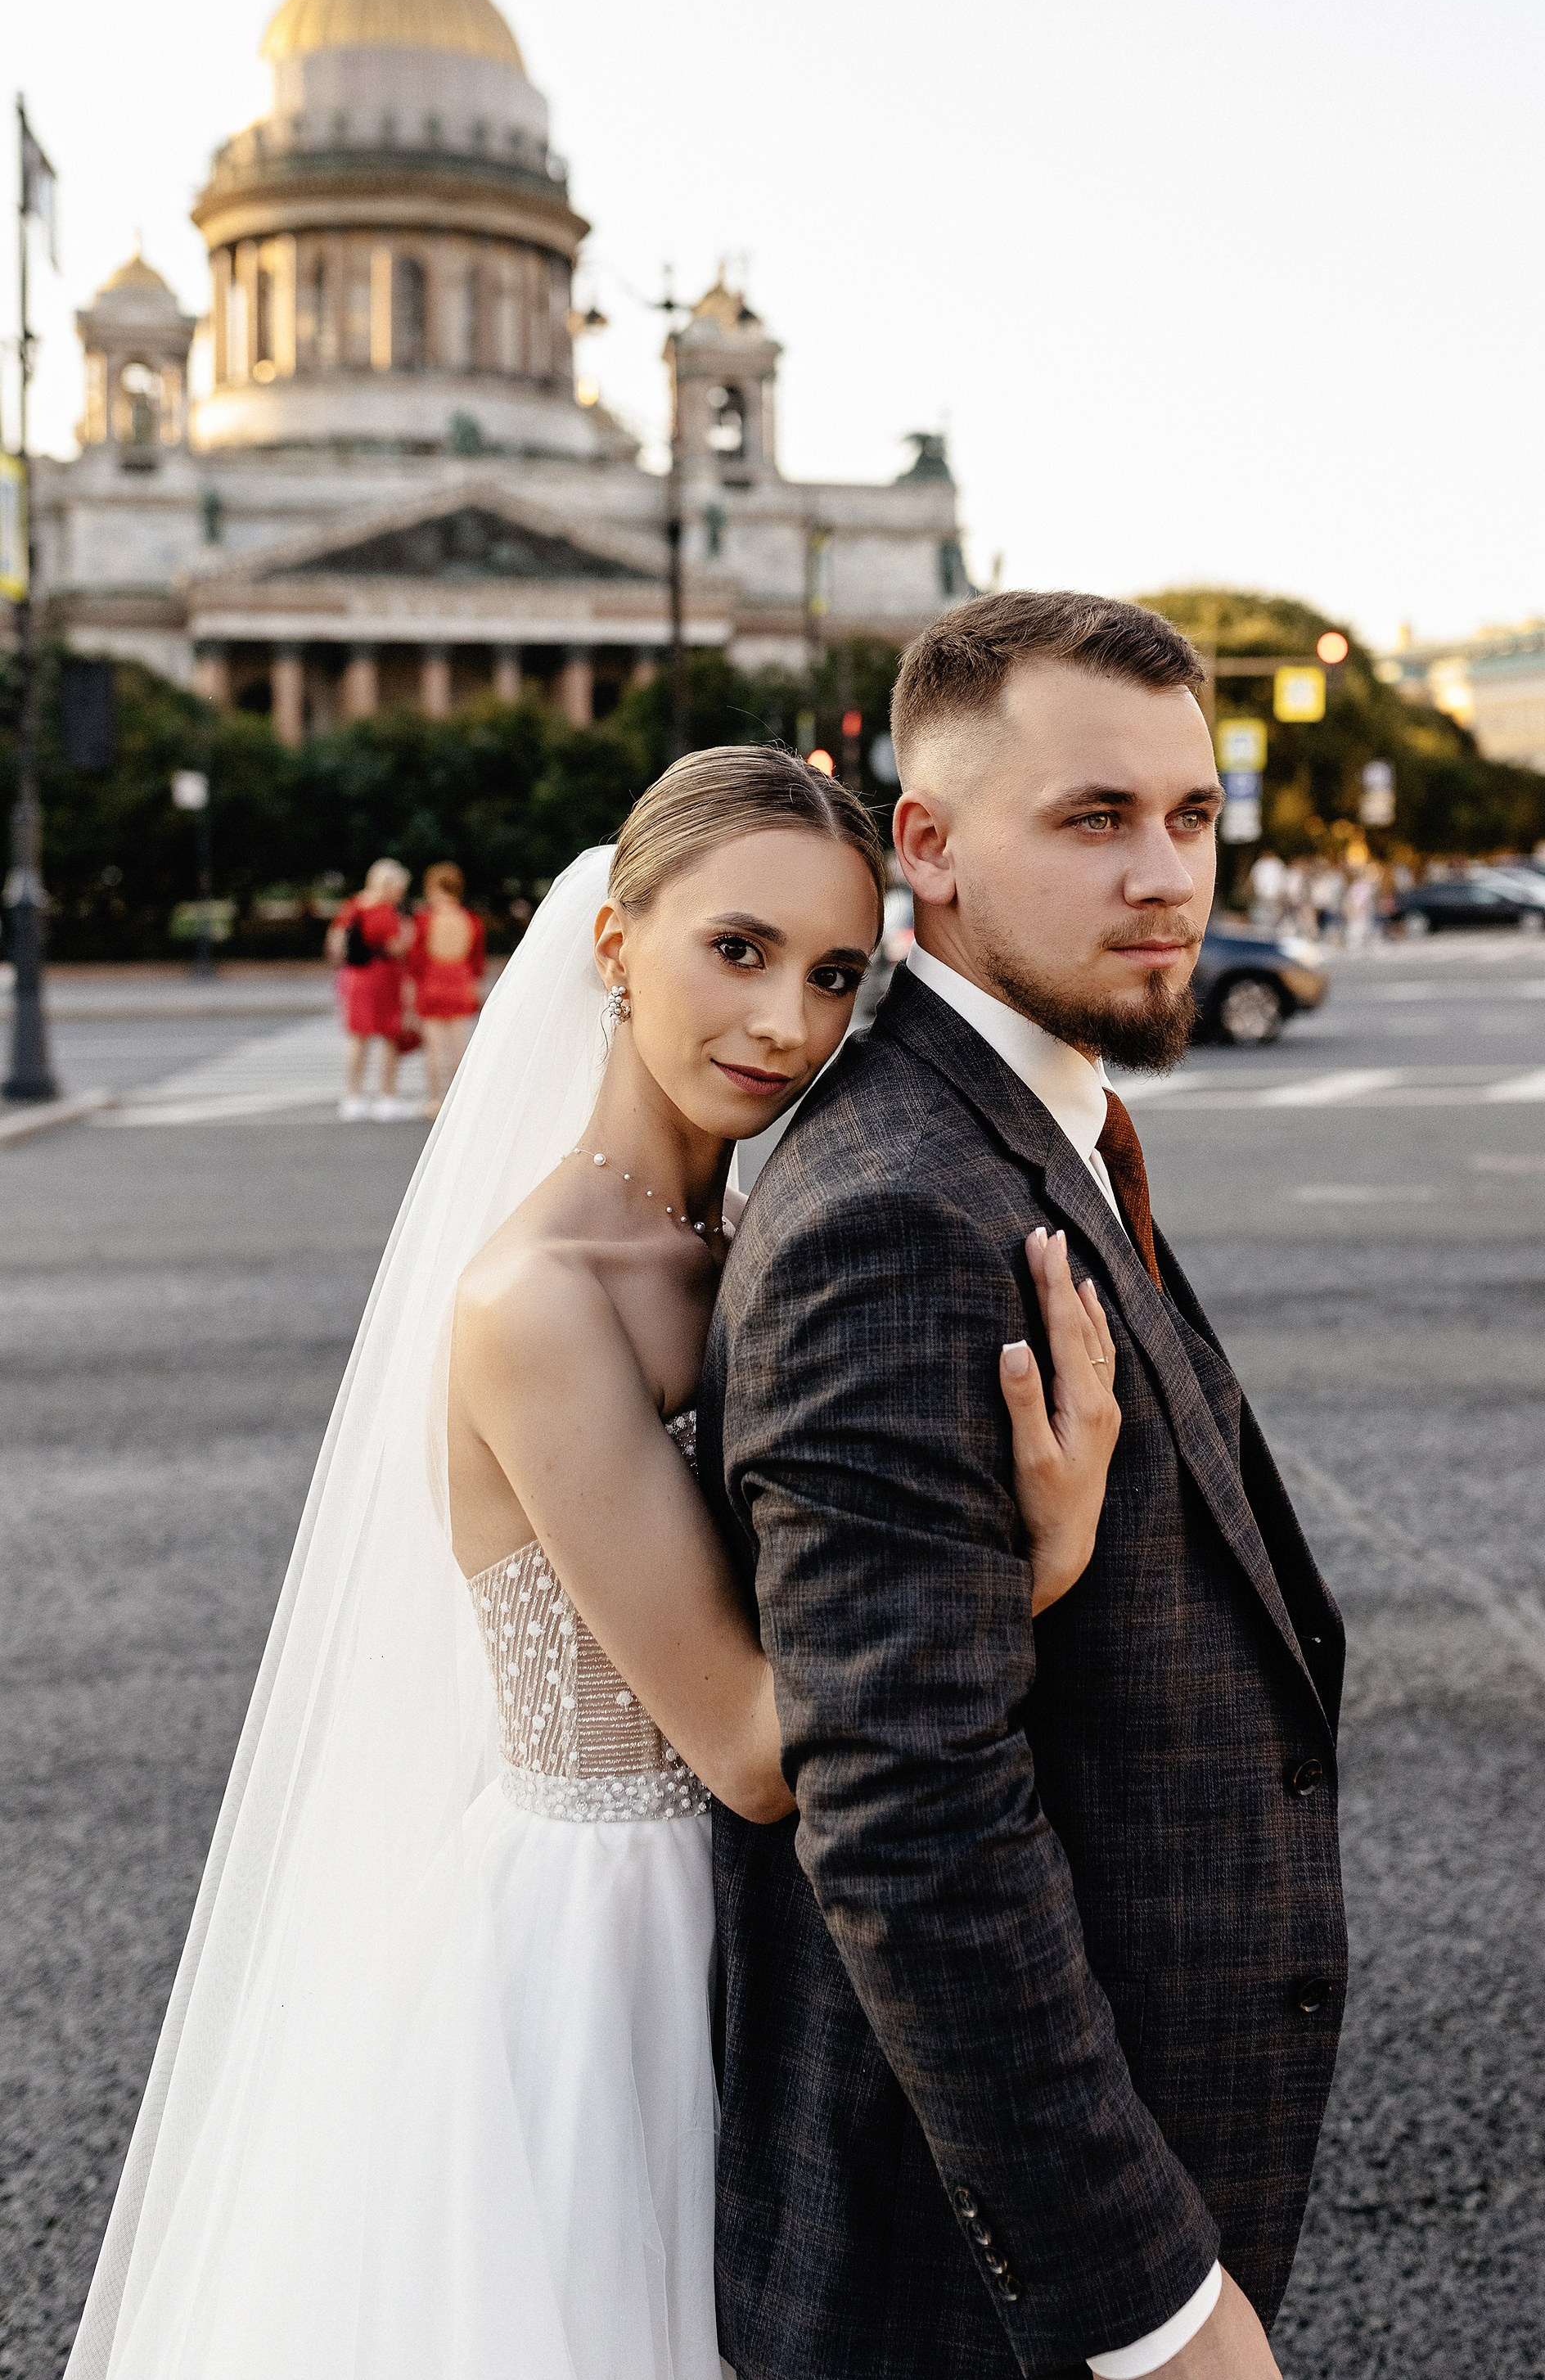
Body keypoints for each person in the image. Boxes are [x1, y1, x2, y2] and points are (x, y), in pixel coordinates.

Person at [65, 747, 1121, 2380]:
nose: (783, 1021)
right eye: (738, 948)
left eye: (835, 973)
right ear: (618, 942)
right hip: (594, 1962)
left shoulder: (763, 1240)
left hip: (757, 1938)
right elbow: (749, 1750)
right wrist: (1044, 1549)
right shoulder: (539, 1297)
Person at [704, 592, 1347, 2380]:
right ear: (928, 845)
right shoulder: (903, 1209)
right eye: (1092, 818)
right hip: (975, 2289)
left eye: (1192, 816)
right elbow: (909, 1816)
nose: (1167, 876)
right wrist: (1139, 2300)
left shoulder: (1021, 1121)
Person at [327, 856, 415, 1120]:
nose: (401, 892)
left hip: (353, 976)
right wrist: (409, 935)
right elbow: (395, 947)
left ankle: (353, 1097)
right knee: (388, 1037)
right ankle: (387, 1098)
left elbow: (334, 942)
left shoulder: (353, 905)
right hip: (382, 976)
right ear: (388, 884)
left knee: (357, 1037)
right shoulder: (385, 910)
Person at [407, 860, 488, 1117]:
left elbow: (416, 961)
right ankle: (458, 1101)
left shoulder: (424, 920)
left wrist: (409, 995)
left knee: (434, 1047)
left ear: (432, 887)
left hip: (432, 982)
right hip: (461, 982)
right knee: (459, 1046)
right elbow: (476, 962)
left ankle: (435, 1100)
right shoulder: (471, 921)